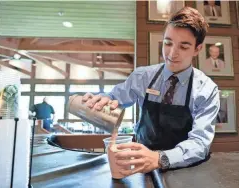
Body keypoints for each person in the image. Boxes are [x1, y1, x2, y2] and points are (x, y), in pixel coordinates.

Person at [83, 7, 220, 176]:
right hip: (141, 163)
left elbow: (199, 143)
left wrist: (160, 158)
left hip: (186, 171)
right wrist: (101, 99)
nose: (172, 53)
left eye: (184, 47)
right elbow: (114, 97)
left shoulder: (207, 90)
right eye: (168, 43)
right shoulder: (142, 77)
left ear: (198, 49)